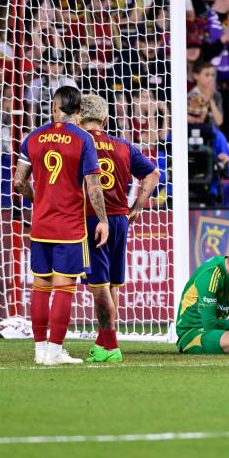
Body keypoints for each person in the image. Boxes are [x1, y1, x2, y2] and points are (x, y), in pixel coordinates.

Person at [12, 86, 107, 366]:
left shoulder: (33, 138)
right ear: (78, 110)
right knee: (64, 288)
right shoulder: (83, 139)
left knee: (40, 287)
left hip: (41, 224)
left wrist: (37, 199)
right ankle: (55, 351)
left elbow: (18, 182)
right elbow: (93, 186)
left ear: (54, 107)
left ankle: (40, 350)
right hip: (70, 226)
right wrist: (102, 220)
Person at [77, 93, 160, 363]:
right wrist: (136, 207)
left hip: (91, 218)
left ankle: (111, 346)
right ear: (105, 119)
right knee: (112, 284)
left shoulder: (78, 143)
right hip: (120, 219)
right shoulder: (123, 145)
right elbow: (153, 174)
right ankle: (103, 343)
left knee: (99, 286)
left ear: (78, 118)